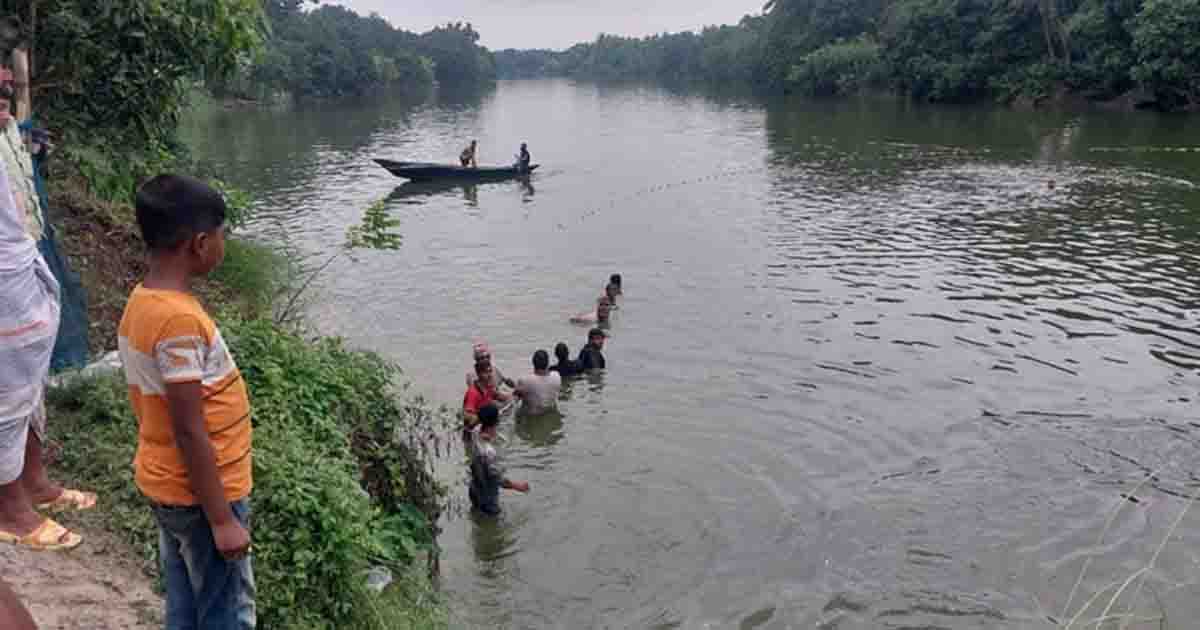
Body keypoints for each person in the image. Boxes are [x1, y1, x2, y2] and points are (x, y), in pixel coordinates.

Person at [118, 175, 255, 629]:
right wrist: (221, 520)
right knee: (225, 611)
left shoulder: (144, 301)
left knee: (185, 603)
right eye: (221, 235)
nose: (223, 245)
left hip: (171, 487)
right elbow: (189, 427)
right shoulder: (177, 321)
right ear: (199, 243)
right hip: (201, 497)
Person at [0, 108, 93, 552]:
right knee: (8, 388)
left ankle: (33, 481)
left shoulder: (7, 133)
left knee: (30, 382)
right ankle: (9, 508)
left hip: (19, 252)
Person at [468, 403, 529, 515]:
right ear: (496, 422)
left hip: (474, 488)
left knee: (477, 515)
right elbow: (498, 479)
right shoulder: (489, 452)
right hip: (488, 497)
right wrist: (518, 486)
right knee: (492, 523)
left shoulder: (475, 431)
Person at [463, 360, 510, 432]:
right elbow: (468, 418)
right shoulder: (472, 393)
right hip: (475, 428)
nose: (489, 375)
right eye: (485, 372)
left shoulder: (488, 387)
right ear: (478, 374)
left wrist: (517, 394)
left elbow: (502, 397)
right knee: (491, 409)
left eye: (490, 371)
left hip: (488, 422)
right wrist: (483, 415)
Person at [513, 350, 561, 415]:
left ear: (533, 362)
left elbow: (515, 396)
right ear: (547, 363)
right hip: (550, 412)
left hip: (531, 417)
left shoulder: (525, 380)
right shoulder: (557, 376)